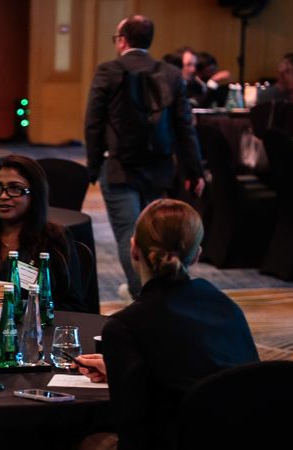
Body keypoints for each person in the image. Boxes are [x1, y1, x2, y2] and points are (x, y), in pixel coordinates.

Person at [40, 199, 258, 450]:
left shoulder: (126, 326)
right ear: (197, 254)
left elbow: (133, 446)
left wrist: (128, 378)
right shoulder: (225, 306)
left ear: (133, 249)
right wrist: (125, 369)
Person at [85, 15, 203, 302]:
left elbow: (93, 123)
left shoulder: (108, 71)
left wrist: (93, 166)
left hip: (119, 167)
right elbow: (184, 126)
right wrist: (194, 170)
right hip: (159, 166)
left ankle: (144, 297)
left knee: (129, 233)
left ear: (123, 41)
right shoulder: (171, 74)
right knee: (157, 234)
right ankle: (159, 295)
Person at [0, 155, 85, 311]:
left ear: (35, 194)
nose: (3, 196)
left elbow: (73, 306)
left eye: (15, 189)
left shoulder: (54, 239)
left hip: (36, 325)